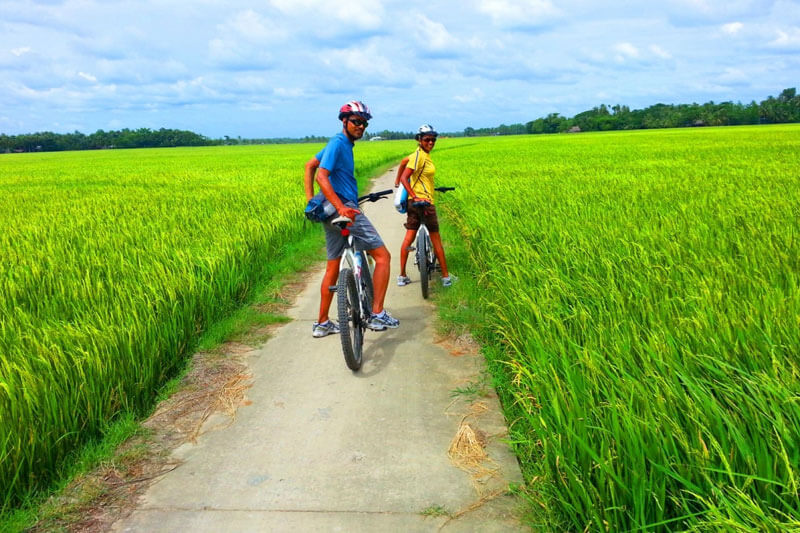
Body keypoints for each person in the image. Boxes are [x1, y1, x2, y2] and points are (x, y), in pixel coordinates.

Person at [304, 100, 400, 338]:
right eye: (356, 122)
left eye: (364, 123)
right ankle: (377, 314)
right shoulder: (338, 143)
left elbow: (310, 166)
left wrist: (311, 202)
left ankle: (322, 323)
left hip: (328, 213)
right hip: (343, 209)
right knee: (382, 257)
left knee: (332, 266)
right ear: (344, 121)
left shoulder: (340, 144)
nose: (361, 127)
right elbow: (321, 177)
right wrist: (342, 207)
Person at [394, 124, 455, 287]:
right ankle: (446, 277)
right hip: (424, 203)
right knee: (436, 240)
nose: (431, 142)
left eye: (433, 139)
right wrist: (414, 194)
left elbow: (402, 162)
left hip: (413, 204)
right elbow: (405, 177)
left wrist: (397, 181)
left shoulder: (418, 155)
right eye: (427, 139)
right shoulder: (419, 156)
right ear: (419, 140)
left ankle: (402, 276)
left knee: (409, 238)